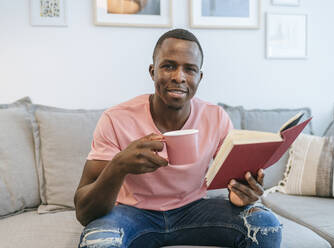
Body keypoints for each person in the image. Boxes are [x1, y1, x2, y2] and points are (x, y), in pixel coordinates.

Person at [74, 28, 282, 248]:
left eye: (190, 69)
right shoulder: (116, 119)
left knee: (265, 224)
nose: (178, 77)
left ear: (199, 77)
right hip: (132, 213)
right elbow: (84, 212)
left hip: (194, 210)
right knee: (98, 242)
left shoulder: (216, 117)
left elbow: (233, 185)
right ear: (152, 71)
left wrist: (242, 194)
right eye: (168, 66)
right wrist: (118, 166)